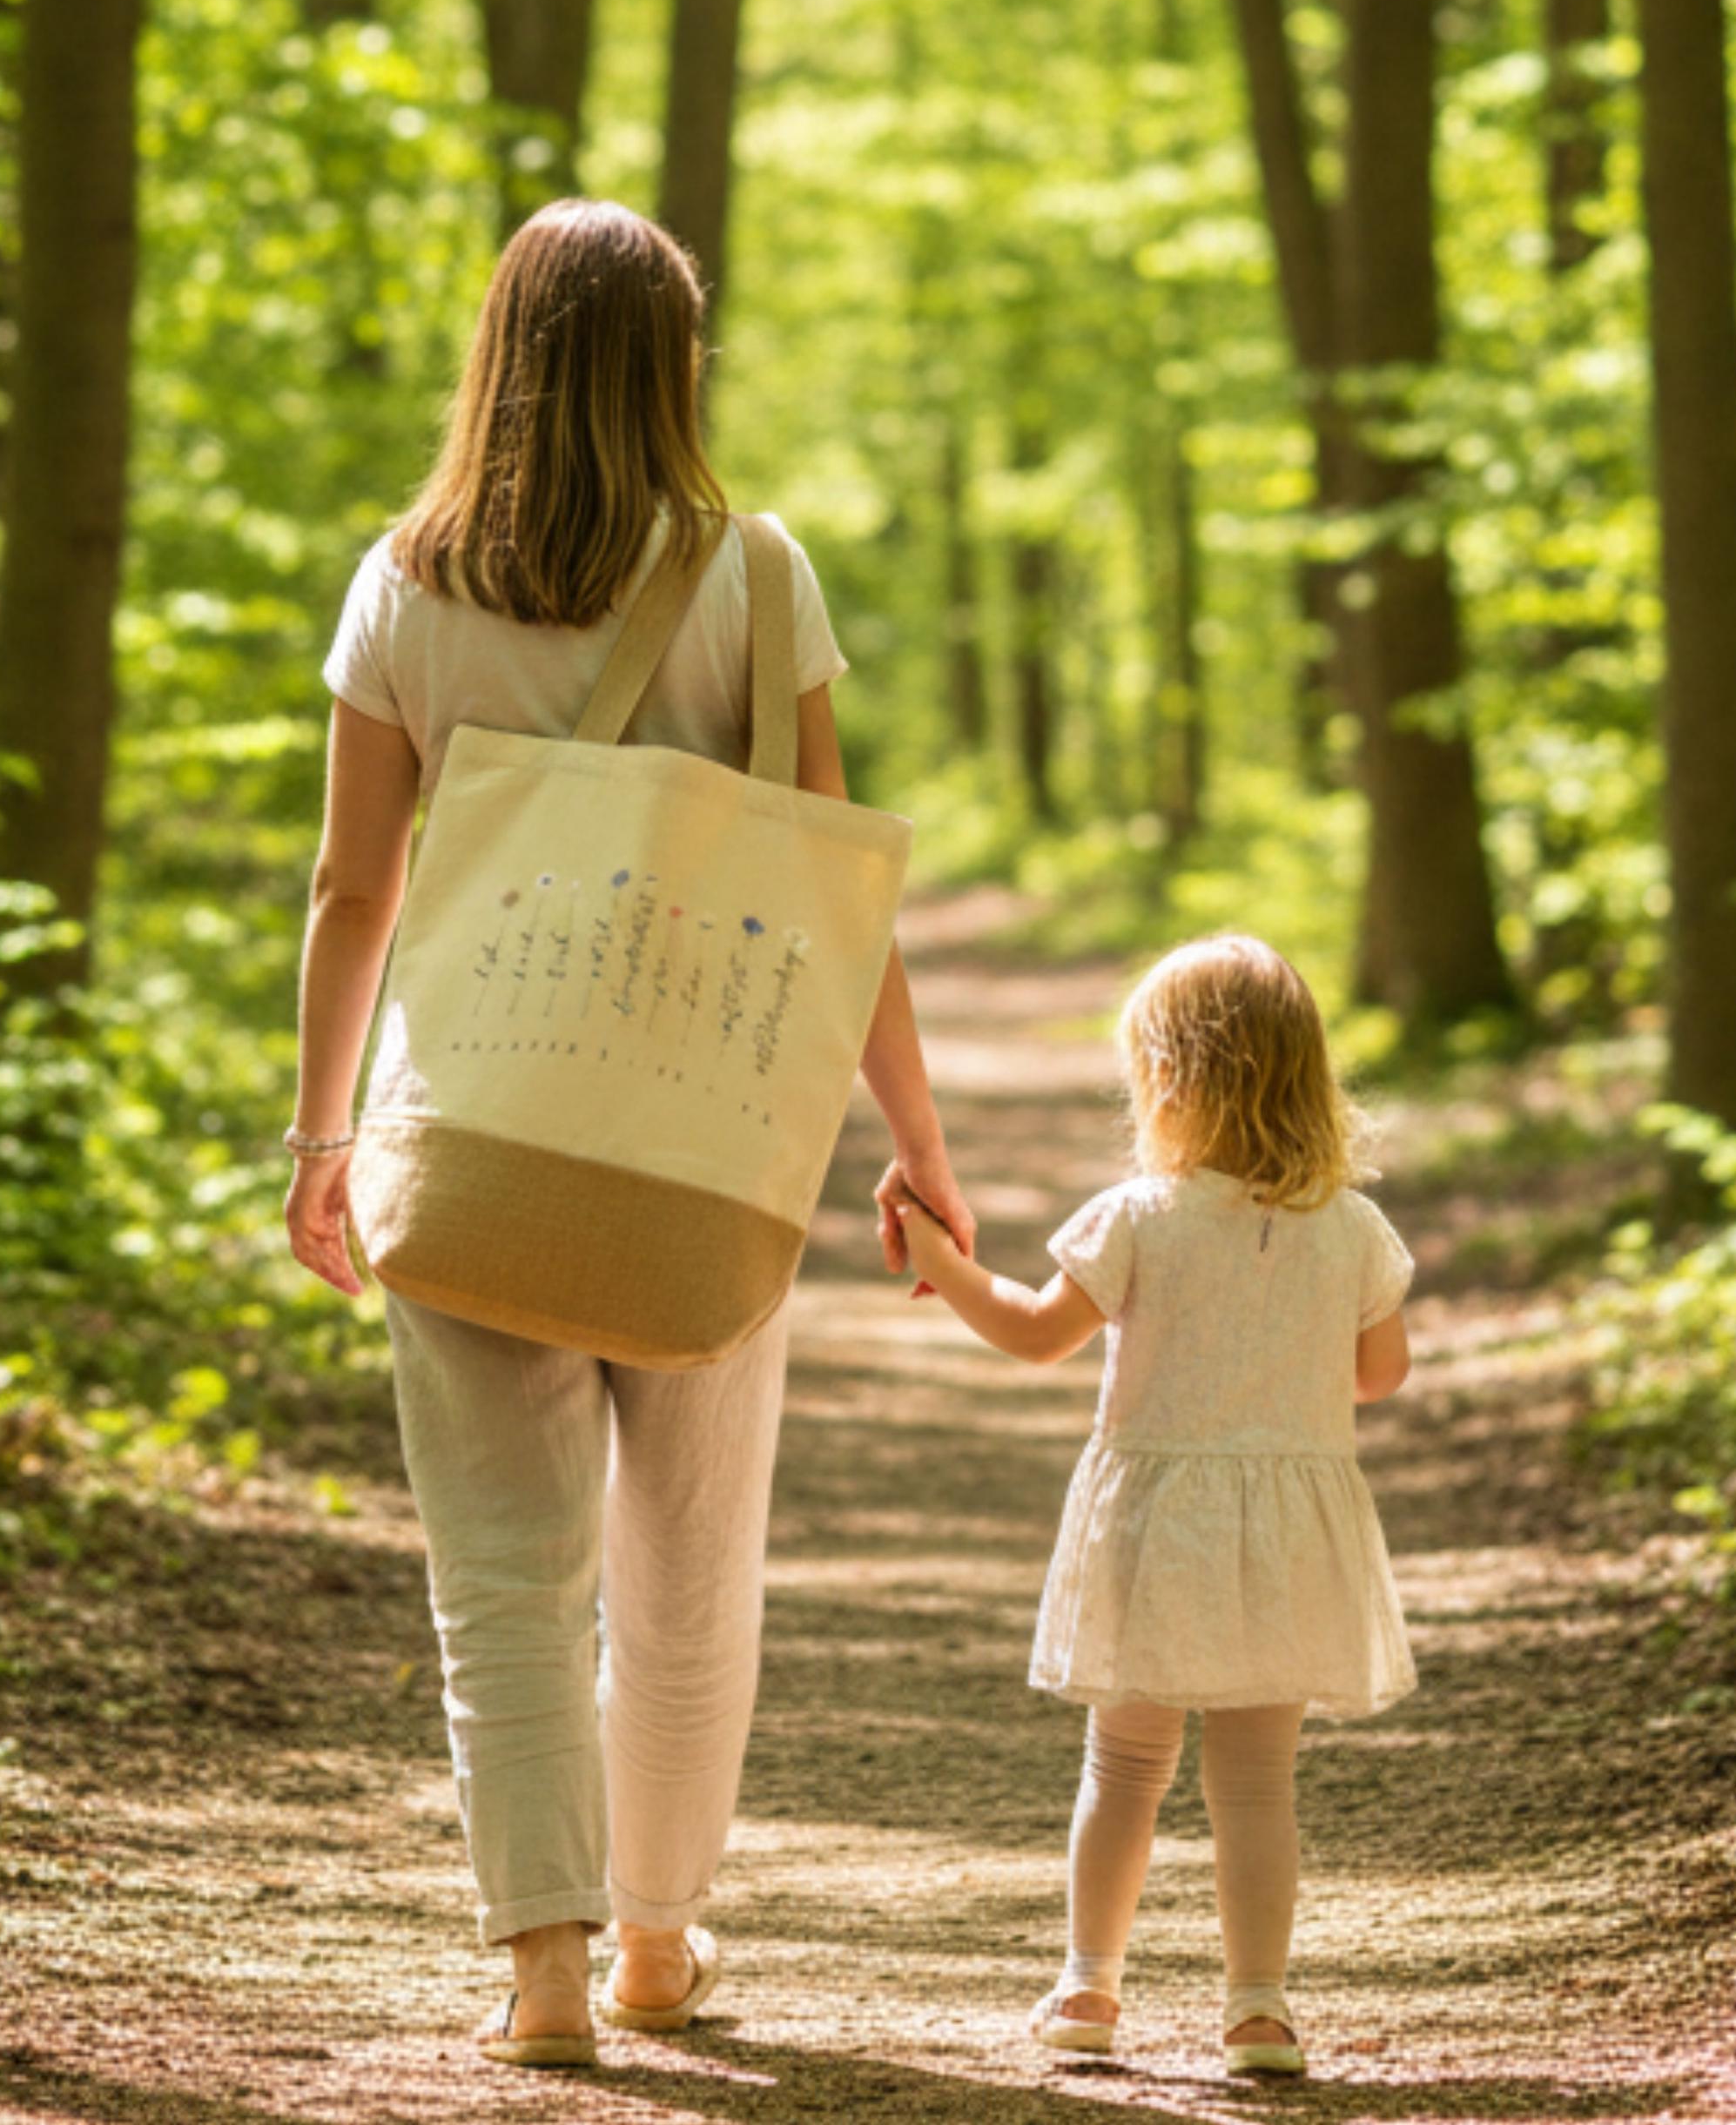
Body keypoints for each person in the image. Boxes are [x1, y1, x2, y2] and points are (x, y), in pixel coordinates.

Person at [279, 198, 975, 2066]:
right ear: (675, 366)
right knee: (687, 1567)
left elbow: (355, 891)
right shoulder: (755, 574)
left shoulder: (403, 584)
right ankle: (661, 1942)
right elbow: (836, 901)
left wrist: (320, 1136)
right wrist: (916, 1139)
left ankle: (544, 1978)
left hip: (473, 1130)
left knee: (501, 1573)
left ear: (499, 352)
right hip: (705, 1146)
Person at [898, 931, 1416, 2079]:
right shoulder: (1353, 1228)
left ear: (1173, 1082)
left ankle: (1089, 1989)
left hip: (1156, 1530)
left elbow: (1035, 1333)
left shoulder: (1140, 1215)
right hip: (1285, 1537)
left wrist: (943, 1261)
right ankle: (1259, 2011)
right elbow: (1379, 1375)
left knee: (1125, 1771)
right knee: (1257, 1786)